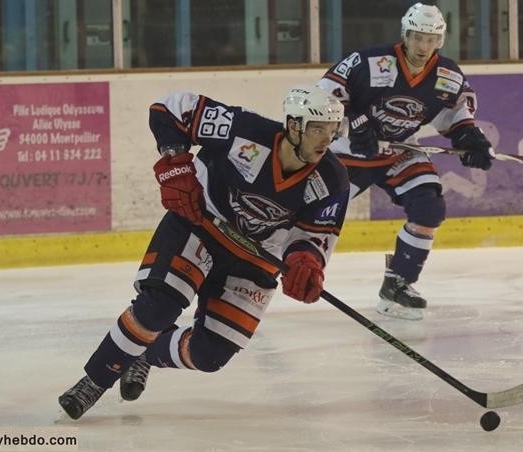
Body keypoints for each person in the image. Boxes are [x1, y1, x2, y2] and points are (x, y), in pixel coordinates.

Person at [58, 85, 350, 419]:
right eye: (317, 129)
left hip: (254, 259)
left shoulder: (332, 179)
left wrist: (305, 262)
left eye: (332, 130)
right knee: (157, 309)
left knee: (210, 354)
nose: (326, 139)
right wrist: (177, 164)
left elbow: (315, 234)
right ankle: (94, 381)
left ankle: (143, 353)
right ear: (294, 125)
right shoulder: (245, 132)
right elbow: (171, 108)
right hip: (201, 225)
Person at [317, 2, 494, 321]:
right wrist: (356, 123)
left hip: (400, 151)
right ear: (405, 35)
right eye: (417, 37)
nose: (423, 46)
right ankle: (255, 273)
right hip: (348, 154)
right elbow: (324, 97)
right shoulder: (370, 62)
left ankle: (397, 285)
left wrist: (469, 137)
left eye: (430, 39)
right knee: (308, 211)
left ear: (439, 41)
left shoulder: (447, 75)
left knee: (429, 207)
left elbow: (456, 114)